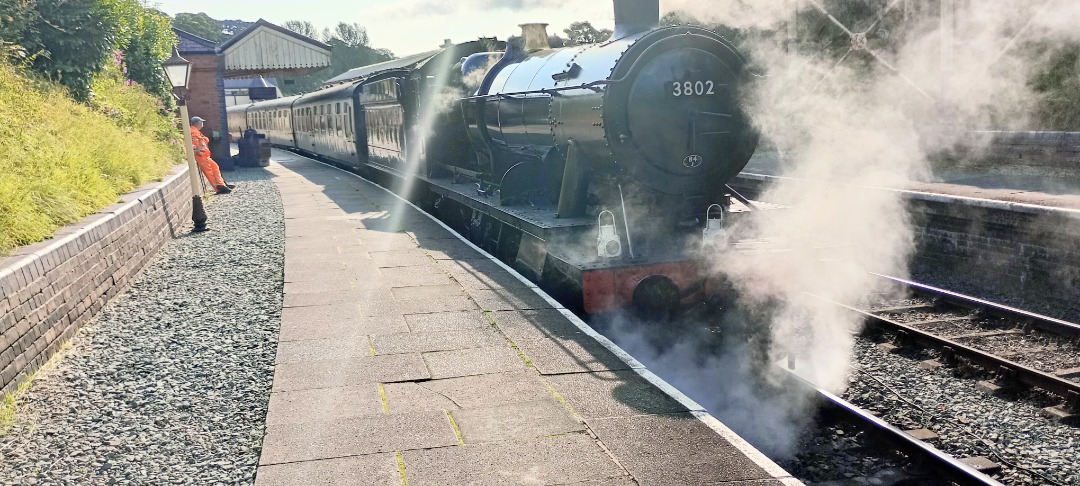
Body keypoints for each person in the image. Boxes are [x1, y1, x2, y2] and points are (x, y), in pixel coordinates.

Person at [189, 116, 236, 194]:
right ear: (197, 123)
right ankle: (218, 188)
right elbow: (194, 143)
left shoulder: (196, 130)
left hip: (205, 155)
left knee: (215, 167)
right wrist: (198, 151)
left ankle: (222, 184)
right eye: (201, 122)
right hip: (201, 155)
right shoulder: (193, 131)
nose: (202, 124)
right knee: (209, 171)